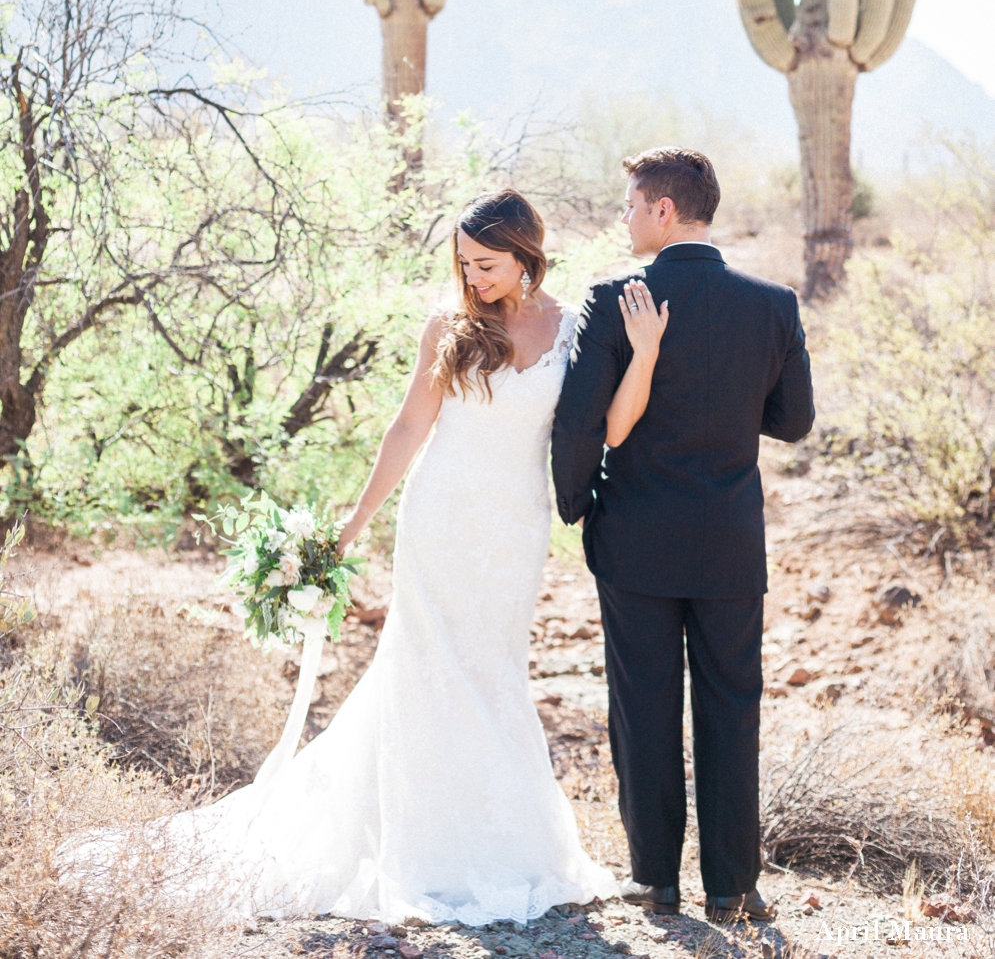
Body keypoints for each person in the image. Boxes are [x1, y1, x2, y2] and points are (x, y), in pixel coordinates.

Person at [77, 189, 664, 924]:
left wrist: (643, 355)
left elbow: (613, 423)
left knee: (493, 669)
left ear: (526, 254)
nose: (472, 277)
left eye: (485, 263)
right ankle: (424, 845)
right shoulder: (448, 325)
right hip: (439, 515)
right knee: (426, 666)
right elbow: (409, 424)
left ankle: (503, 840)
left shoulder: (575, 327)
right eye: (463, 263)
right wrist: (353, 524)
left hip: (514, 527)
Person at [551, 147, 815, 926]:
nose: (625, 217)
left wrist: (578, 505)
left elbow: (578, 423)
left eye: (631, 204)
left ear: (663, 209)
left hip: (634, 536)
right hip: (730, 540)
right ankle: (733, 884)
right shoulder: (773, 304)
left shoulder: (612, 297)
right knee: (733, 706)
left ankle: (655, 880)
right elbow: (793, 421)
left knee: (643, 703)